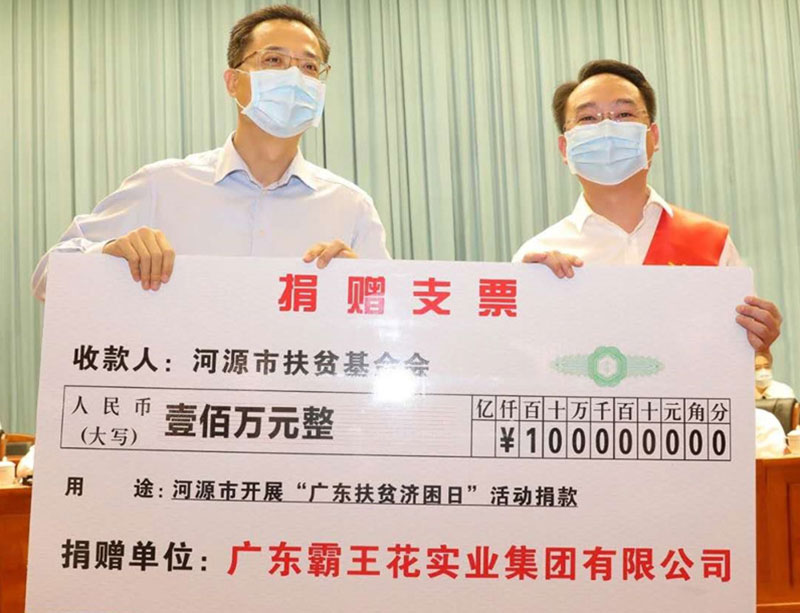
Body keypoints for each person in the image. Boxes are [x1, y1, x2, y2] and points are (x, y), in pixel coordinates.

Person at [31, 4, 389, 301]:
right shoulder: (162, 185)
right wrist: (109, 252)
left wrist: (360, 289)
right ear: (233, 81)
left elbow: (395, 322)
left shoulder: (350, 206)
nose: (294, 77)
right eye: (273, 60)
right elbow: (47, 278)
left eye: (309, 66)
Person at [513, 59, 781, 352]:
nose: (606, 128)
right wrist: (530, 300)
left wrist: (758, 345)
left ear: (653, 137)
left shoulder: (710, 244)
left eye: (624, 114)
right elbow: (519, 365)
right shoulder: (537, 259)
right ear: (565, 148)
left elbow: (735, 361)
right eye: (588, 118)